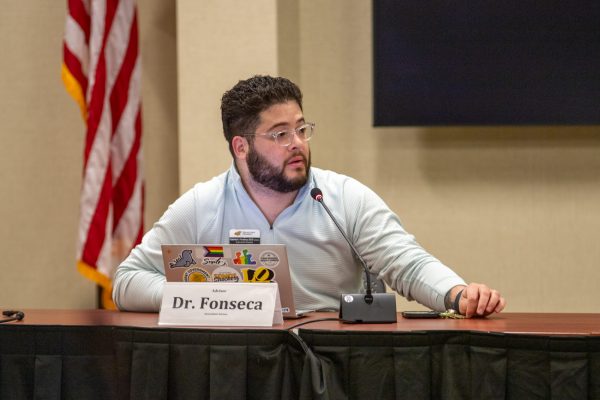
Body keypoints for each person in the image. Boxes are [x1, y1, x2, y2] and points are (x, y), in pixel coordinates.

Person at [113, 75, 506, 318]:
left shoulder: (344, 198)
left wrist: (457, 294)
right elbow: (127, 282)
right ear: (241, 147)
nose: (297, 143)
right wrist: (210, 298)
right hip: (239, 362)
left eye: (302, 129)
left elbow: (407, 265)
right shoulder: (202, 205)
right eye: (280, 134)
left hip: (333, 364)